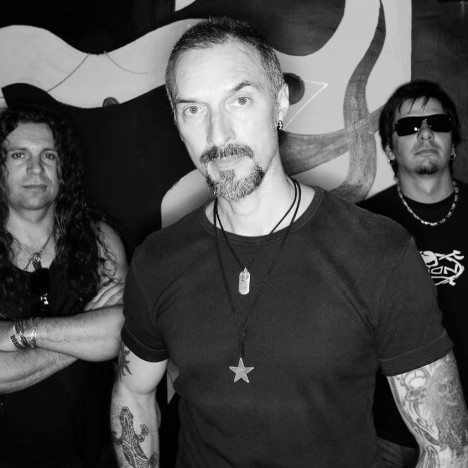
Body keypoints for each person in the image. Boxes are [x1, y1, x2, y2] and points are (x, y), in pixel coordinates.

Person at [111, 17, 468, 468]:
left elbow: (447, 447)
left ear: (279, 103)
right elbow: (133, 391)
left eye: (240, 100)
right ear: (177, 122)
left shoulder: (378, 251)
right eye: (194, 110)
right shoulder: (158, 260)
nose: (218, 135)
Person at [0, 103, 128, 467]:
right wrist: (86, 330)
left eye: (49, 155)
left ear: (63, 168)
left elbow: (122, 332)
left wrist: (18, 333)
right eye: (19, 155)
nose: (36, 168)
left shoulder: (99, 240)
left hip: (93, 453)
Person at [359, 80, 468, 467]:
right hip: (385, 434)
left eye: (437, 123)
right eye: (407, 127)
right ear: (389, 148)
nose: (424, 134)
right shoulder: (362, 226)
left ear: (453, 143)